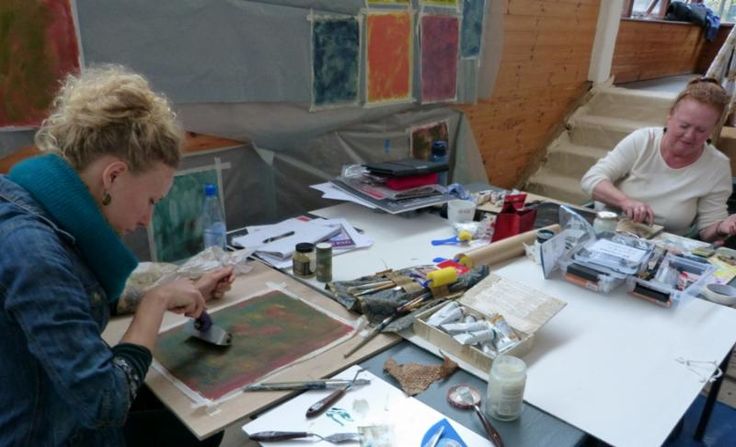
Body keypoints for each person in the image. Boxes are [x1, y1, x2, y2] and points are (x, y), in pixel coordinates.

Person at [0, 66, 234, 446]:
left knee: (199, 422)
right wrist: (155, 303)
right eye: (151, 201)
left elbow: (71, 299)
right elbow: (105, 403)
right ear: (113, 176)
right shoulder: (34, 253)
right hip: (43, 434)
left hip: (53, 410)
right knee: (201, 424)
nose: (146, 219)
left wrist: (181, 287)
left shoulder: (28, 202)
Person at [580, 77, 736, 242]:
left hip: (664, 248)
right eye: (684, 126)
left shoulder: (717, 166)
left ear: (713, 128)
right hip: (608, 233)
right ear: (669, 116)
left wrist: (721, 227)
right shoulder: (643, 140)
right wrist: (625, 202)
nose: (689, 136)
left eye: (701, 130)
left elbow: (708, 231)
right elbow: (591, 179)